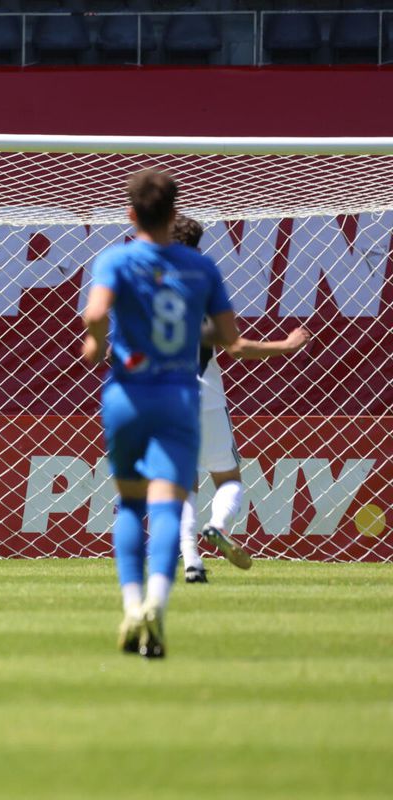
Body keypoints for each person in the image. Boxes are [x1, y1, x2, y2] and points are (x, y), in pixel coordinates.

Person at [82, 170, 238, 659]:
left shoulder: (117, 259)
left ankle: (131, 605)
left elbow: (93, 314)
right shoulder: (201, 270)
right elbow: (228, 338)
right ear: (174, 215)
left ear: (130, 215)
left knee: (131, 505)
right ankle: (156, 605)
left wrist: (99, 341)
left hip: (127, 395)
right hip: (177, 398)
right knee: (170, 504)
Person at [170, 215, 311, 583]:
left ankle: (192, 563)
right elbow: (235, 347)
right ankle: (216, 525)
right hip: (204, 394)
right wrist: (287, 345)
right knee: (229, 478)